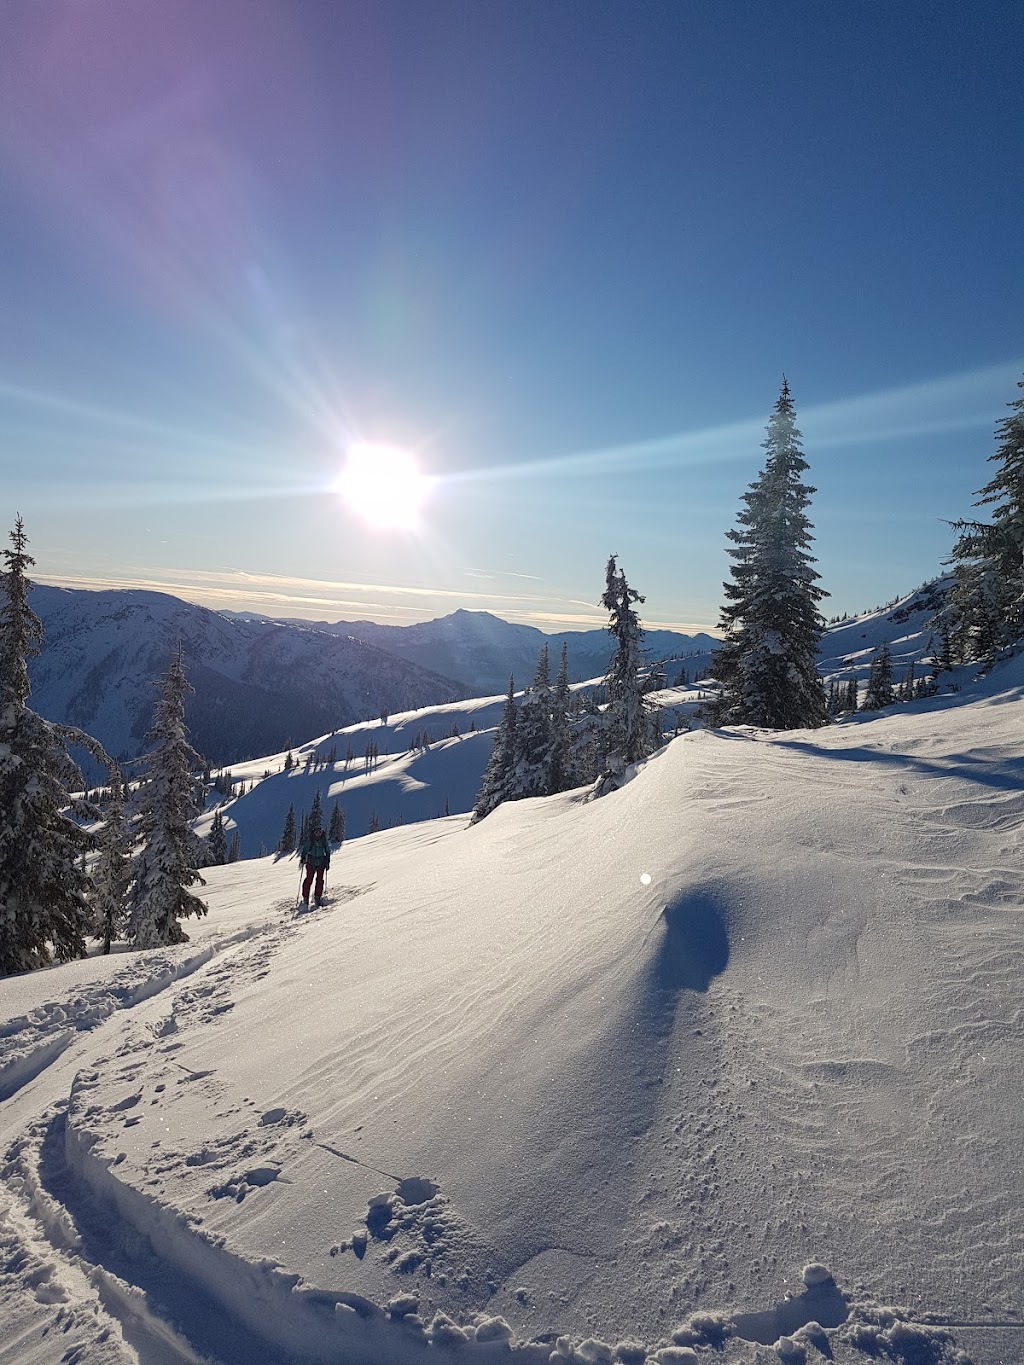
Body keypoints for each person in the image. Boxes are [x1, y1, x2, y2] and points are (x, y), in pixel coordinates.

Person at [298, 826, 330, 906]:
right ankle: (305, 898)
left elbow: (327, 851)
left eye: (319, 832)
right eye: (316, 832)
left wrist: (327, 861)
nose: (318, 834)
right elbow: (305, 849)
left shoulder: (324, 841)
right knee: (309, 880)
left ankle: (317, 897)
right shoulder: (310, 840)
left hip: (321, 862)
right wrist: (303, 858)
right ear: (314, 833)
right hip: (311, 862)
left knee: (319, 880)